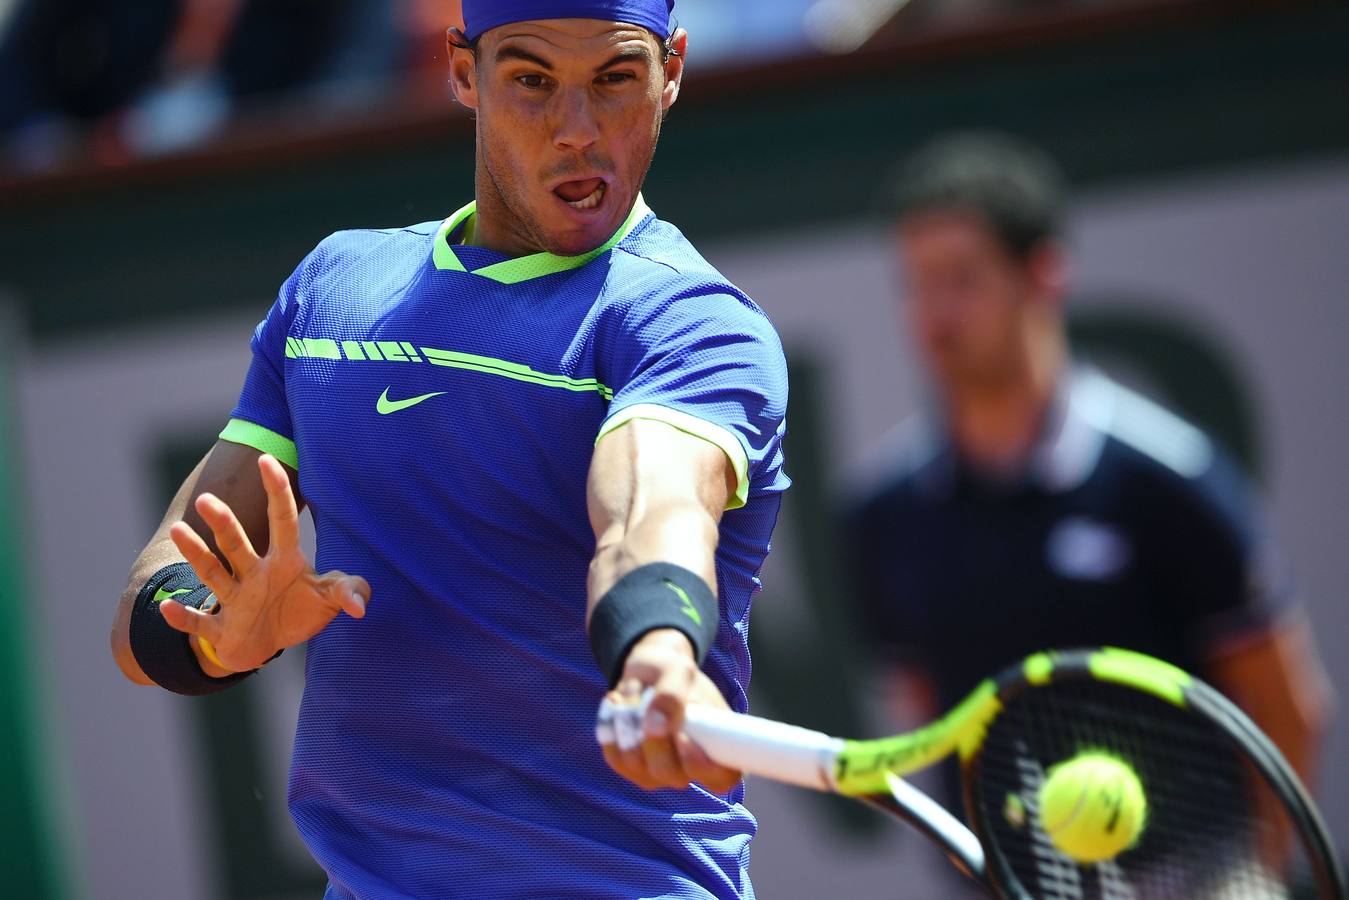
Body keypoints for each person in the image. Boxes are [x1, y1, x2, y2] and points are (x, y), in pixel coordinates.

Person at [110, 2, 789, 897]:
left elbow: (650, 508)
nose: (577, 130)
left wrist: (657, 647)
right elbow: (142, 616)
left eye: (615, 79)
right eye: (531, 81)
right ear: (463, 72)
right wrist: (208, 634)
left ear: (671, 72)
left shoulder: (690, 324)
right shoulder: (332, 291)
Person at [847, 133, 1332, 820]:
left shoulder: (1166, 479)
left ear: (1042, 274)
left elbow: (1287, 706)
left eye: (961, 277)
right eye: (917, 284)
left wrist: (1250, 876)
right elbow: (918, 706)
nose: (935, 315)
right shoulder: (880, 513)